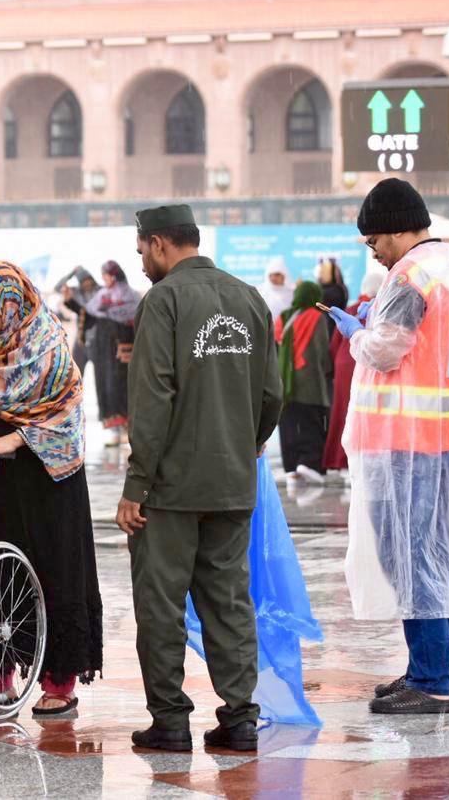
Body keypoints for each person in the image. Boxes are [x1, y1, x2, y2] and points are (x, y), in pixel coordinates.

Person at [116, 204, 281, 753]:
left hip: (170, 490)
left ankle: (169, 722)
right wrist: (246, 444)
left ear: (160, 243)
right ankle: (240, 719)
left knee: (161, 605)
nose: (141, 264)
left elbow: (154, 397)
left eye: (142, 252)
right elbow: (271, 395)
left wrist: (136, 486)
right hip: (234, 483)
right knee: (230, 599)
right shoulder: (249, 298)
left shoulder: (163, 301)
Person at [327, 178, 449, 715]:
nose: (372, 249)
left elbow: (383, 351)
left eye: (373, 239)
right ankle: (426, 667)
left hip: (409, 436)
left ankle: (434, 679)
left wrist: (358, 330)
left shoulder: (410, 275)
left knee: (412, 552)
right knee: (436, 549)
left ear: (396, 228)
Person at [0, 261, 103, 718]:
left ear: (13, 306)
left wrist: (14, 439)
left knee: (54, 568)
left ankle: (58, 680)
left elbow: (66, 419)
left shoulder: (48, 349)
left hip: (48, 480)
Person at [323, 272, 383, 473]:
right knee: (366, 413)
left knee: (342, 412)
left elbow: (334, 346)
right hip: (367, 365)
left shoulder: (350, 309)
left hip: (344, 365)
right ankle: (360, 461)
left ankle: (340, 462)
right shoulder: (381, 309)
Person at [275, 281, 333, 484]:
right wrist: (328, 371)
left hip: (284, 380)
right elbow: (321, 351)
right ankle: (309, 463)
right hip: (310, 380)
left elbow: (275, 348)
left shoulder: (283, 317)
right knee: (311, 422)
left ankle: (291, 467)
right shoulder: (317, 317)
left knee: (288, 424)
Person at [84, 261, 140, 446]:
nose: (104, 280)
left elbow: (136, 317)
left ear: (114, 276)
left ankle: (128, 431)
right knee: (106, 387)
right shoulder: (102, 296)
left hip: (124, 350)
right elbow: (89, 312)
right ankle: (115, 432)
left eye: (106, 276)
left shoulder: (131, 295)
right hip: (104, 352)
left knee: (123, 388)